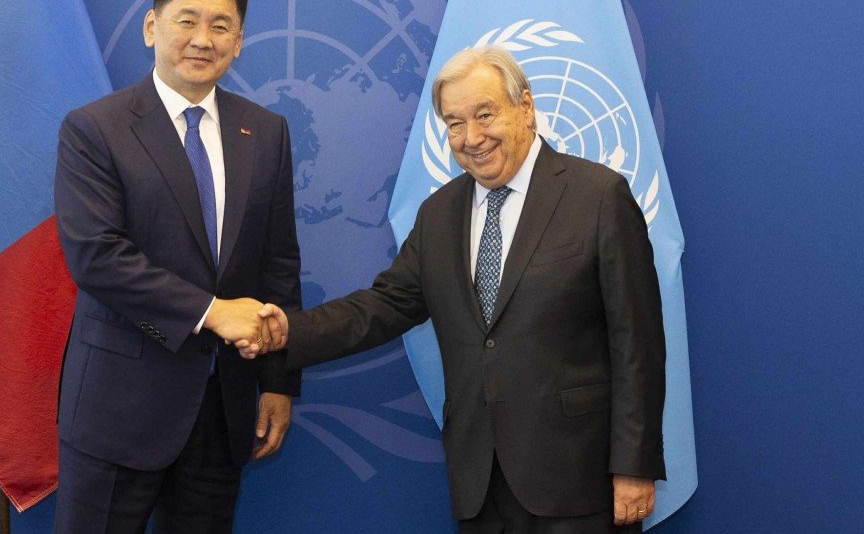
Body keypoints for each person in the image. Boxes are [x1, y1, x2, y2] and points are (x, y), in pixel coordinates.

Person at [254, 47, 665, 532]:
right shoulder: (439, 215)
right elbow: (383, 306)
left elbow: (637, 342)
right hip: (479, 484)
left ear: (525, 107)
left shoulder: (598, 196)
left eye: (484, 115)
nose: (471, 138)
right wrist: (286, 332)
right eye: (454, 123)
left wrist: (634, 465)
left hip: (579, 479)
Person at [53, 0, 301, 533]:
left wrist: (277, 381)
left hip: (222, 409)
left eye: (221, 26)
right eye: (187, 20)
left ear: (238, 42)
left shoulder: (266, 132)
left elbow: (278, 263)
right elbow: (96, 255)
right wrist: (213, 313)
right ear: (152, 27)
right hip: (119, 407)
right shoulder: (94, 128)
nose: (202, 39)